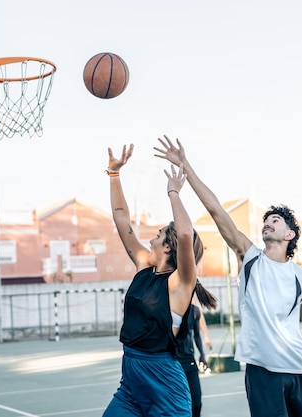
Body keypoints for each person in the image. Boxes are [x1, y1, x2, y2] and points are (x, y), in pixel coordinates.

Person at [154, 136, 302, 417]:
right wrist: (185, 165)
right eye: (266, 220)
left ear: (289, 235)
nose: (267, 223)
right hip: (263, 371)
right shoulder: (250, 257)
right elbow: (216, 210)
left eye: (275, 220)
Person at [102, 144, 217, 417]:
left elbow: (186, 235)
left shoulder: (181, 282)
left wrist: (173, 191)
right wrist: (113, 174)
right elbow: (121, 220)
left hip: (164, 383)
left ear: (168, 247)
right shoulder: (144, 266)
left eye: (159, 233)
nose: (152, 237)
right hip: (131, 377)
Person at [174, 299, 213, 417]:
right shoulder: (170, 309)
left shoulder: (194, 311)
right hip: (173, 360)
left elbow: (196, 335)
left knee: (196, 401)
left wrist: (202, 355)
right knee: (178, 401)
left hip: (189, 359)